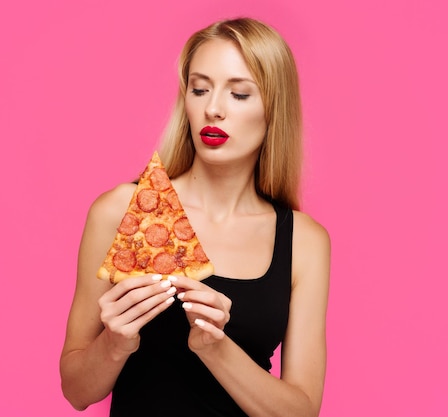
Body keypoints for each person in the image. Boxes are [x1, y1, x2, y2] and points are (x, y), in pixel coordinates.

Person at [60, 17, 330, 417]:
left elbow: (301, 412)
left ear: (274, 108)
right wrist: (115, 343)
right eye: (199, 89)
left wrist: (216, 348)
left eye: (239, 95)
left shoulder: (304, 241)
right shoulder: (121, 209)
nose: (213, 109)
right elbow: (75, 390)